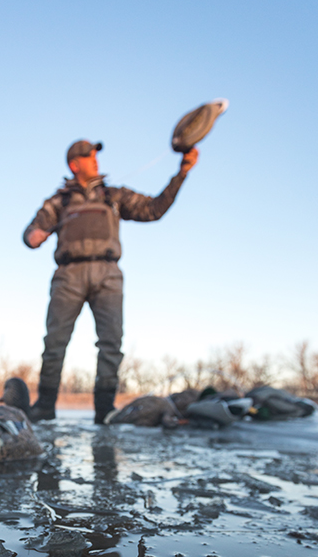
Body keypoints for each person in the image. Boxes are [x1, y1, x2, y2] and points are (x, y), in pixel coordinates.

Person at [23, 140, 199, 422]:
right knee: (55, 342)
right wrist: (34, 236)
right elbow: (31, 233)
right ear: (74, 164)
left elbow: (154, 209)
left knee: (111, 343)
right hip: (68, 276)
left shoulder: (112, 196)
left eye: (95, 155)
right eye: (89, 155)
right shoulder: (59, 201)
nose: (96, 159)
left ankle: (104, 410)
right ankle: (44, 406)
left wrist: (182, 173)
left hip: (108, 274)